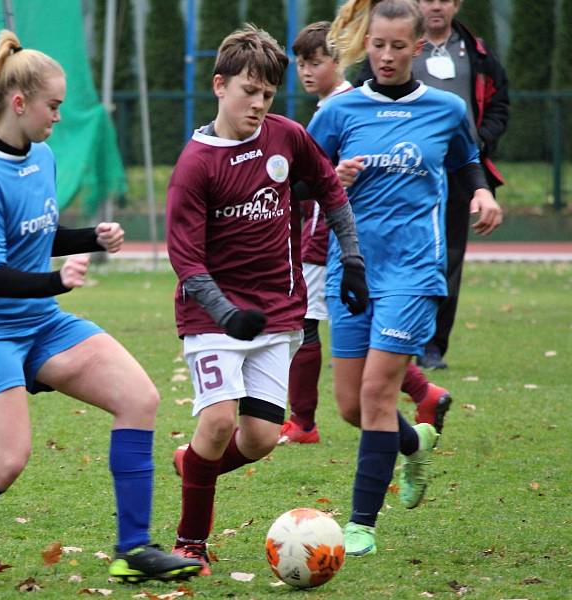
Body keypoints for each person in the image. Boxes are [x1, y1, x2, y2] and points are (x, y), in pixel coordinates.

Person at [0, 30, 202, 590]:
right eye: (53, 106)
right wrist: (57, 280)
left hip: (35, 318)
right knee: (7, 459)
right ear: (18, 103)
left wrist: (89, 239)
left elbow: (36, 233)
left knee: (139, 397)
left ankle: (132, 550)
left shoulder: (43, 156)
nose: (59, 116)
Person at [165, 24, 367, 575]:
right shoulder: (195, 165)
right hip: (212, 318)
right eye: (248, 92)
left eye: (268, 95)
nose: (258, 105)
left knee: (258, 440)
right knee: (216, 422)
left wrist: (351, 258)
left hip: (277, 313)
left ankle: (193, 467)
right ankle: (190, 545)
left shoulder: (285, 136)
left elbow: (328, 187)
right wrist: (227, 314)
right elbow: (185, 260)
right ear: (219, 86)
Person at [307, 0, 502, 556]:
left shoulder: (444, 109)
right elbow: (300, 182)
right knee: (349, 406)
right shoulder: (338, 114)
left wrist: (483, 192)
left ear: (419, 48)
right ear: (365, 43)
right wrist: (331, 177)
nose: (387, 56)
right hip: (352, 270)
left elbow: (467, 162)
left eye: (398, 46)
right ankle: (414, 442)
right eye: (378, 45)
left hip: (414, 272)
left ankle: (361, 523)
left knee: (375, 392)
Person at [280, 22, 452, 445]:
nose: (305, 71)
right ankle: (422, 395)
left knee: (305, 324)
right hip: (334, 245)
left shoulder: (347, 108)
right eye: (300, 63)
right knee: (354, 373)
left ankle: (303, 422)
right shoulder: (332, 108)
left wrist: (332, 181)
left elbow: (318, 181)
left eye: (314, 62)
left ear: (338, 61)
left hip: (334, 245)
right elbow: (301, 181)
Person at [354, 0, 509, 369]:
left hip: (453, 170)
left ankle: (431, 344)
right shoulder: (356, 93)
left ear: (455, 5)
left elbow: (499, 106)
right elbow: (356, 107)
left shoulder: (477, 54)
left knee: (446, 256)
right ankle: (372, 337)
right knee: (381, 251)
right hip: (396, 169)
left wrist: (480, 149)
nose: (435, 6)